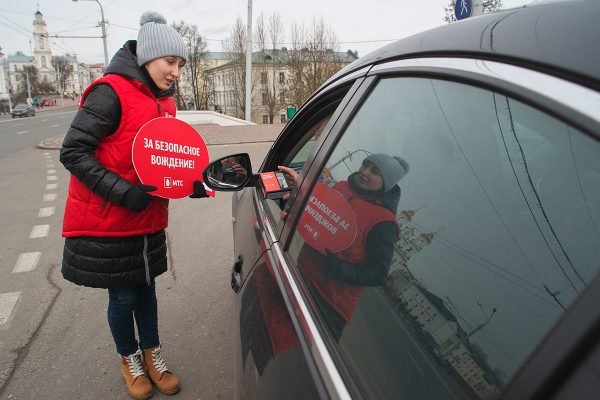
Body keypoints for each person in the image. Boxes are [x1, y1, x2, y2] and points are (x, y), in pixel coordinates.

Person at [59, 11, 208, 399]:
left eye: (180, 64)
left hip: (148, 219)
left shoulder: (167, 105)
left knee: (146, 291)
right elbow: (74, 151)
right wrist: (124, 191)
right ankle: (129, 358)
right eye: (169, 62)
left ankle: (152, 354)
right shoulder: (110, 92)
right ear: (146, 58)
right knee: (123, 295)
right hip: (110, 219)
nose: (176, 72)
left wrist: (188, 183)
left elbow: (164, 161)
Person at [279, 153, 409, 339]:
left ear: (386, 183)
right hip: (301, 273)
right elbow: (315, 216)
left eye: (374, 171)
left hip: (327, 304)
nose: (364, 172)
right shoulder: (341, 188)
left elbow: (378, 274)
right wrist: (295, 206)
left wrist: (338, 269)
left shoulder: (384, 222)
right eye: (365, 165)